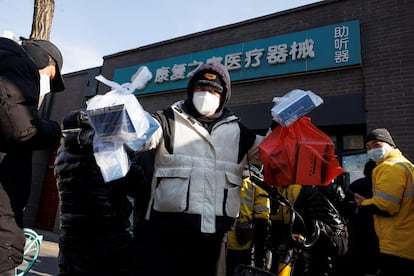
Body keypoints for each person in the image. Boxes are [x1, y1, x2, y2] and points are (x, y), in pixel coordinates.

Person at [140, 62, 265, 276]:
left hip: (215, 240)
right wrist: (127, 119)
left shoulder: (239, 132)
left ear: (223, 96)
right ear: (191, 90)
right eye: (201, 88)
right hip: (167, 235)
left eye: (214, 90)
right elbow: (143, 135)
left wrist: (284, 126)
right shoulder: (167, 119)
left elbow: (269, 156)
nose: (207, 94)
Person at [0, 37, 64, 275]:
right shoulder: (18, 65)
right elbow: (22, 130)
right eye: (51, 75)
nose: (47, 85)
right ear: (43, 60)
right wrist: (57, 131)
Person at [54, 109, 142, 276]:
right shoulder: (106, 151)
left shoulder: (62, 151)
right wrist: (129, 153)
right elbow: (135, 183)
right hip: (106, 238)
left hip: (71, 235)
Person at [354, 128, 414, 276]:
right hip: (405, 241)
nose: (372, 150)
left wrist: (363, 203)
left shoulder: (389, 167)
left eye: (377, 144)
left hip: (397, 244)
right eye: (368, 148)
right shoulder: (404, 164)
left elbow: (386, 207)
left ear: (391, 145)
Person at [226, 166, 270, 276]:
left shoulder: (226, 176)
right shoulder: (258, 184)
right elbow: (262, 221)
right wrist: (260, 259)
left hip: (221, 238)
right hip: (242, 242)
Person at [345, 159, 379, 276]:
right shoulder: (380, 185)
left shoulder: (355, 185)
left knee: (359, 251)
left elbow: (347, 207)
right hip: (378, 225)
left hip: (358, 225)